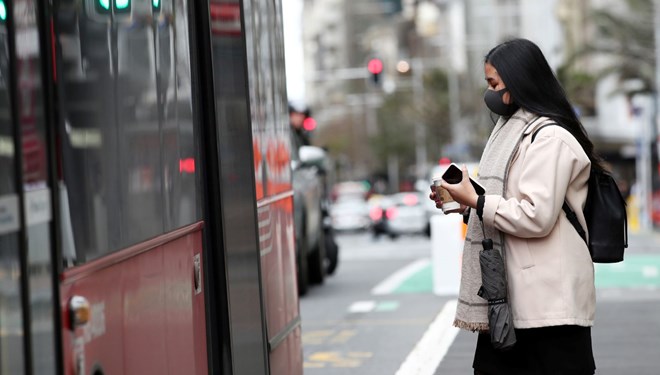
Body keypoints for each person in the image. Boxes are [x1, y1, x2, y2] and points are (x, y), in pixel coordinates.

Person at [429, 38, 603, 375]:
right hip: (512, 298)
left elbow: (535, 216)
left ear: (518, 81)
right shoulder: (514, 133)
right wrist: (466, 204)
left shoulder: (549, 138)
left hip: (550, 307)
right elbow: (512, 202)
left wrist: (477, 200)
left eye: (494, 83)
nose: (490, 93)